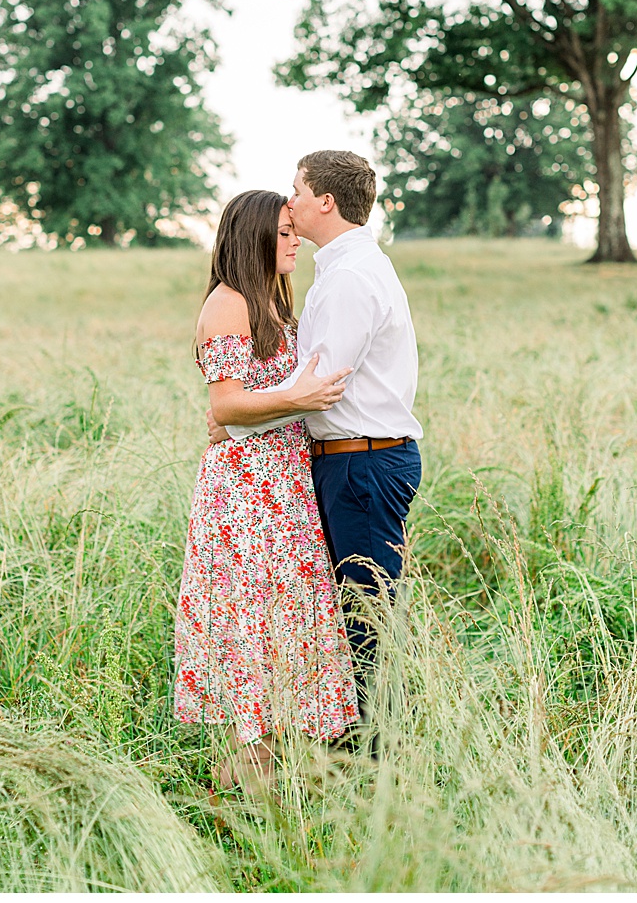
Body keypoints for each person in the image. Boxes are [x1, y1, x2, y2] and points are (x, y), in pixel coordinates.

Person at [213, 150, 423, 729]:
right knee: (351, 614)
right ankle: (350, 743)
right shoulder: (344, 268)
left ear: (325, 203)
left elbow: (318, 384)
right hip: (355, 460)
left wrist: (233, 418)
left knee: (363, 619)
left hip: (361, 462)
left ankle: (373, 754)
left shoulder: (350, 277)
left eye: (298, 190)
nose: (291, 201)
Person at [173, 189, 358, 792]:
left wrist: (279, 405)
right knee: (252, 636)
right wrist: (297, 399)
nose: (295, 240)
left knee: (283, 634)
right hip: (246, 494)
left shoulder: (272, 304)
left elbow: (249, 403)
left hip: (284, 486)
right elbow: (225, 403)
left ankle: (278, 795)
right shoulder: (228, 305)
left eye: (293, 229)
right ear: (253, 236)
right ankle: (237, 805)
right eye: (283, 232)